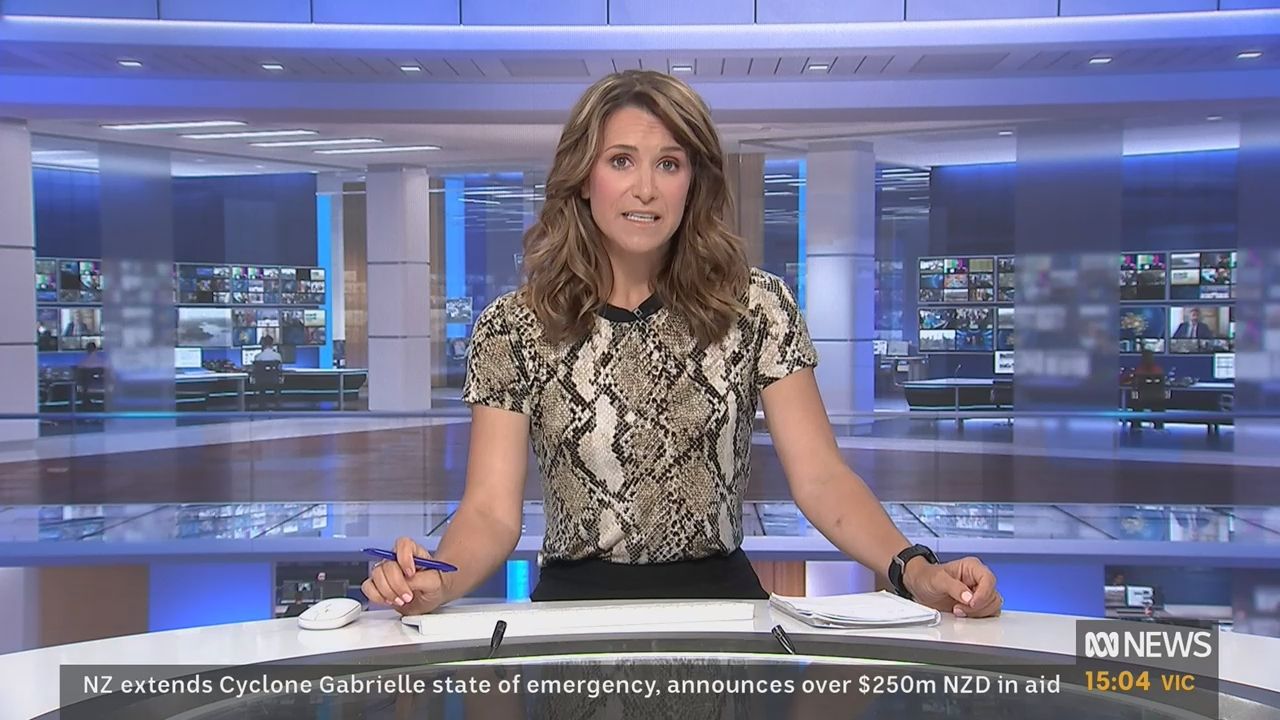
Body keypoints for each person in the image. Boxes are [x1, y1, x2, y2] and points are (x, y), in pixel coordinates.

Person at [362, 70, 1002, 619]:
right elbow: (490, 512)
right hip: (573, 616)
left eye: (668, 164)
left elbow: (822, 479)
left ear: (692, 181)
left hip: (722, 608)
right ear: (583, 178)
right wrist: (438, 581)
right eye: (621, 161)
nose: (645, 188)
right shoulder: (514, 326)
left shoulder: (757, 307)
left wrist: (914, 569)